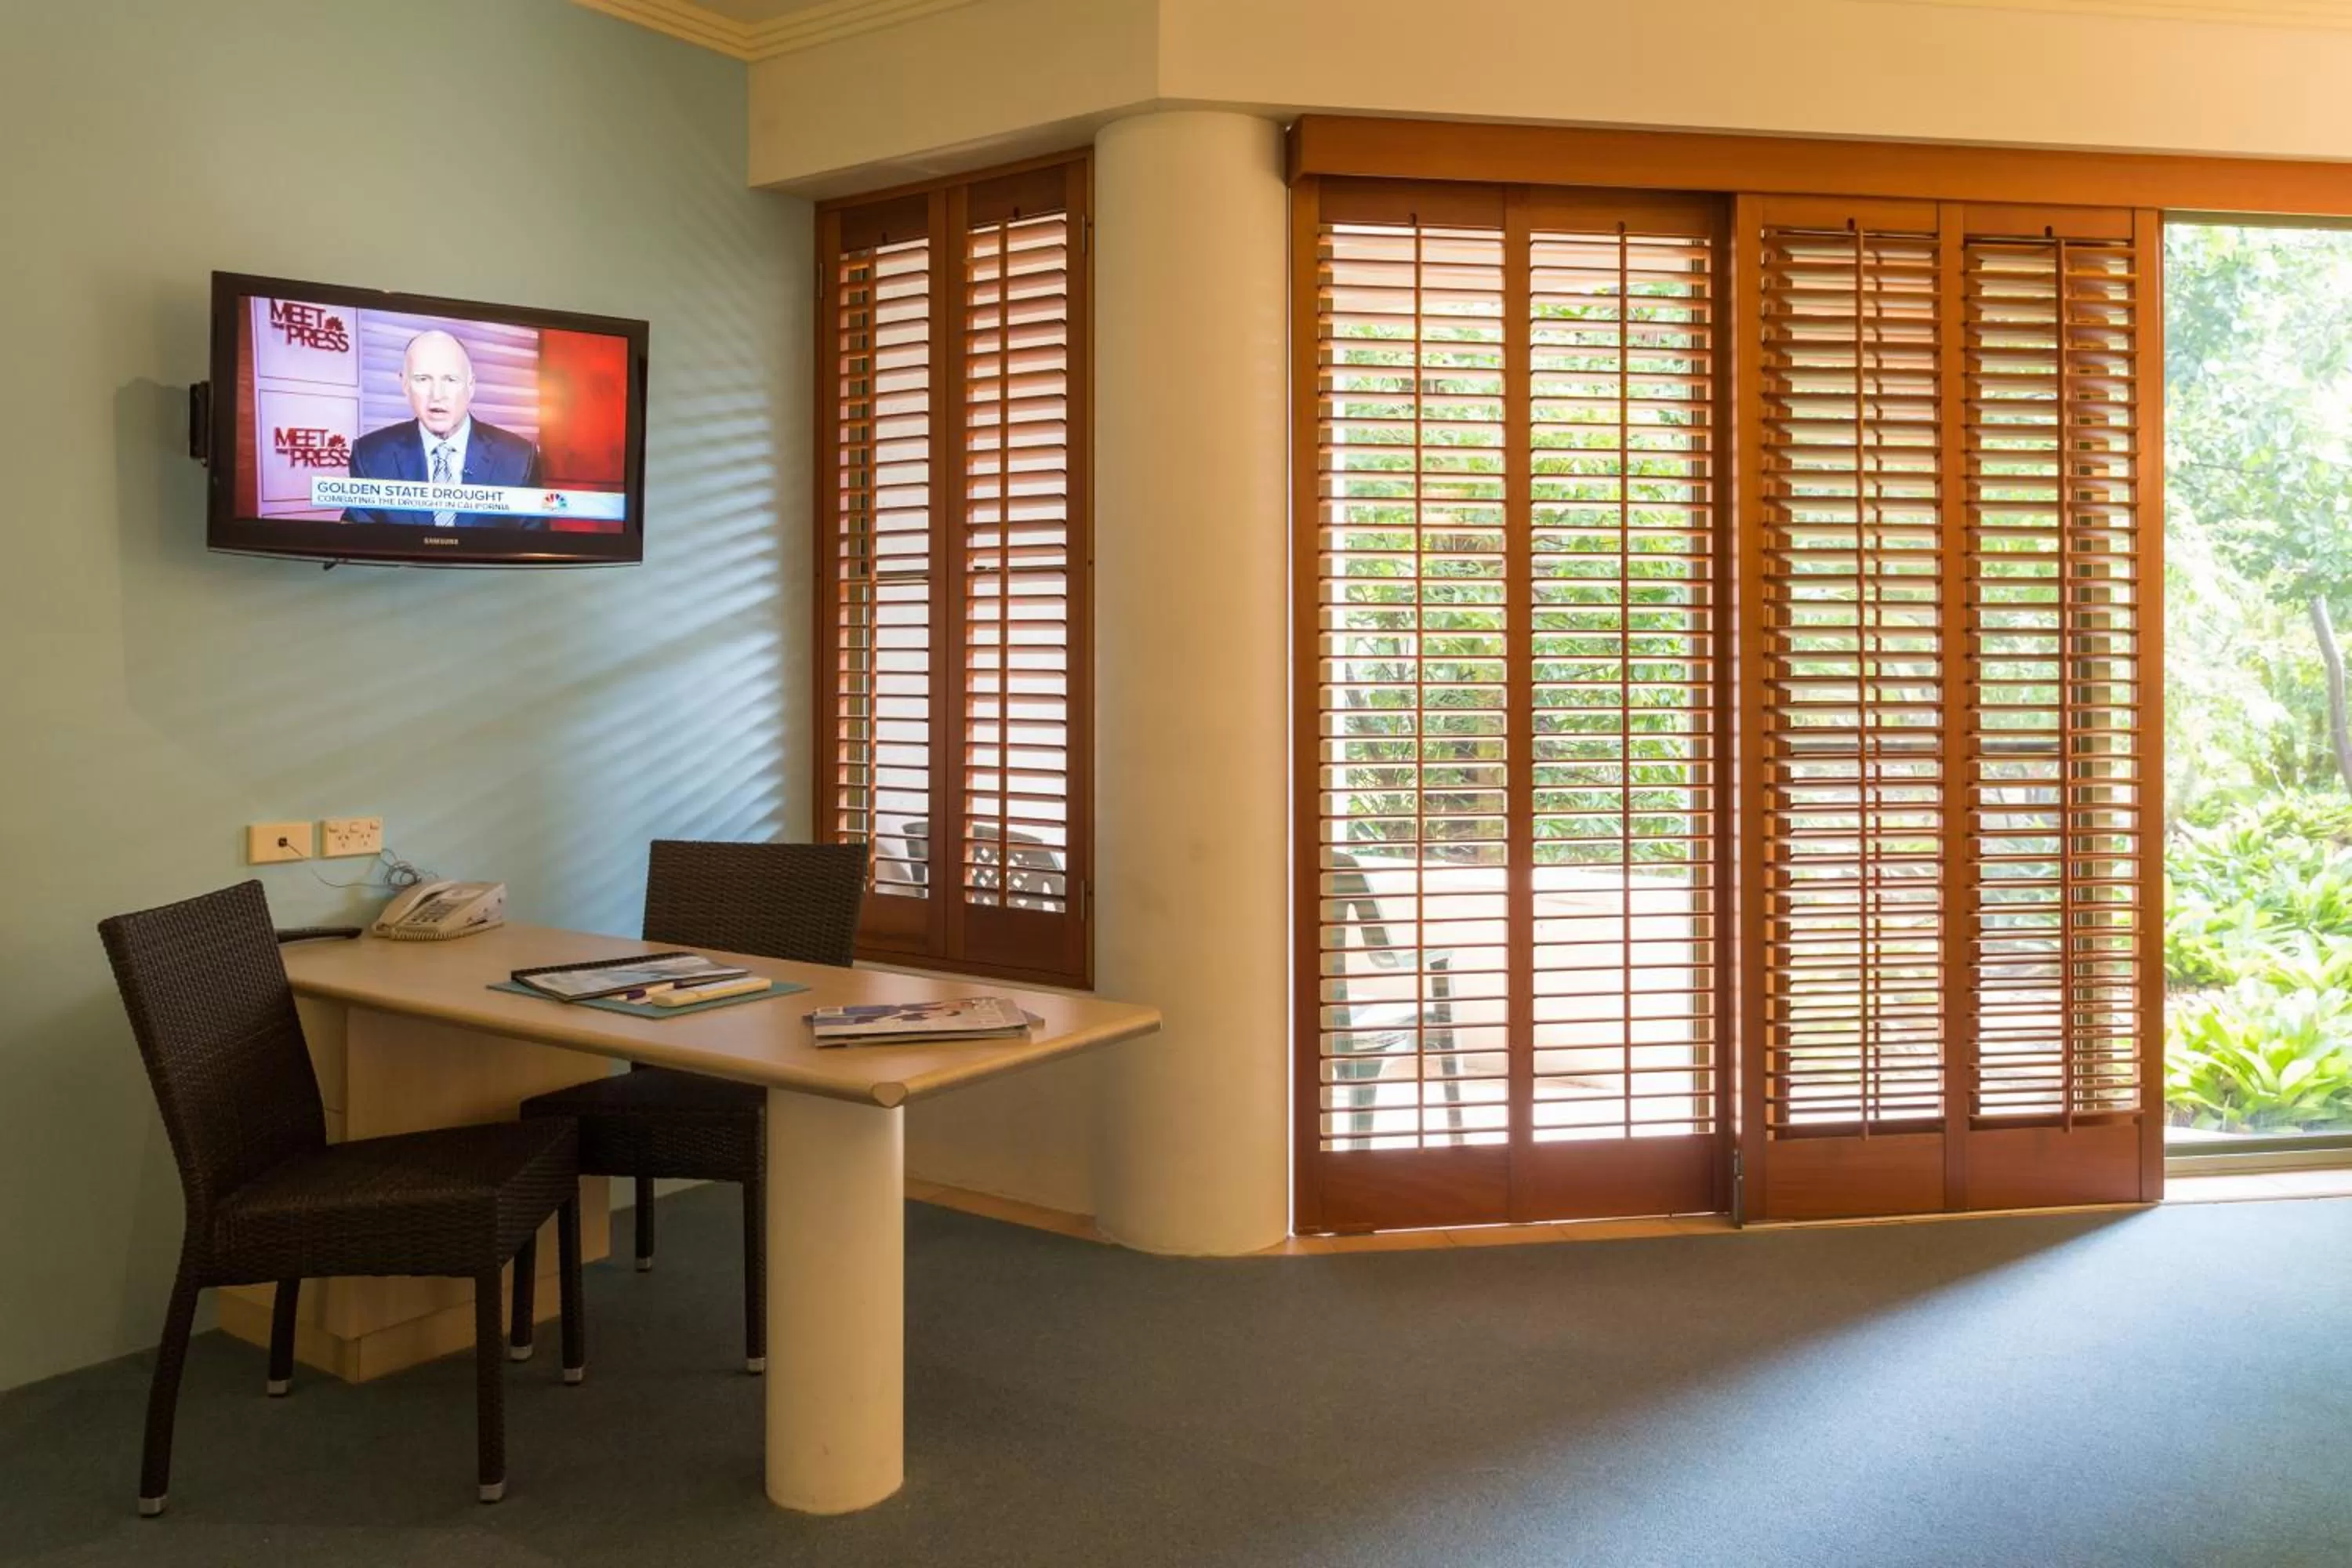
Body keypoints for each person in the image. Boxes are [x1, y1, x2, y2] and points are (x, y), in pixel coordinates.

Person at [341, 329, 546, 528]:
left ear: (471, 386)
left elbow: (534, 548)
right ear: (405, 385)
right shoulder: (370, 455)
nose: (437, 394)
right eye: (422, 379)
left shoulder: (519, 458)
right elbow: (358, 545)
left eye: (450, 379)